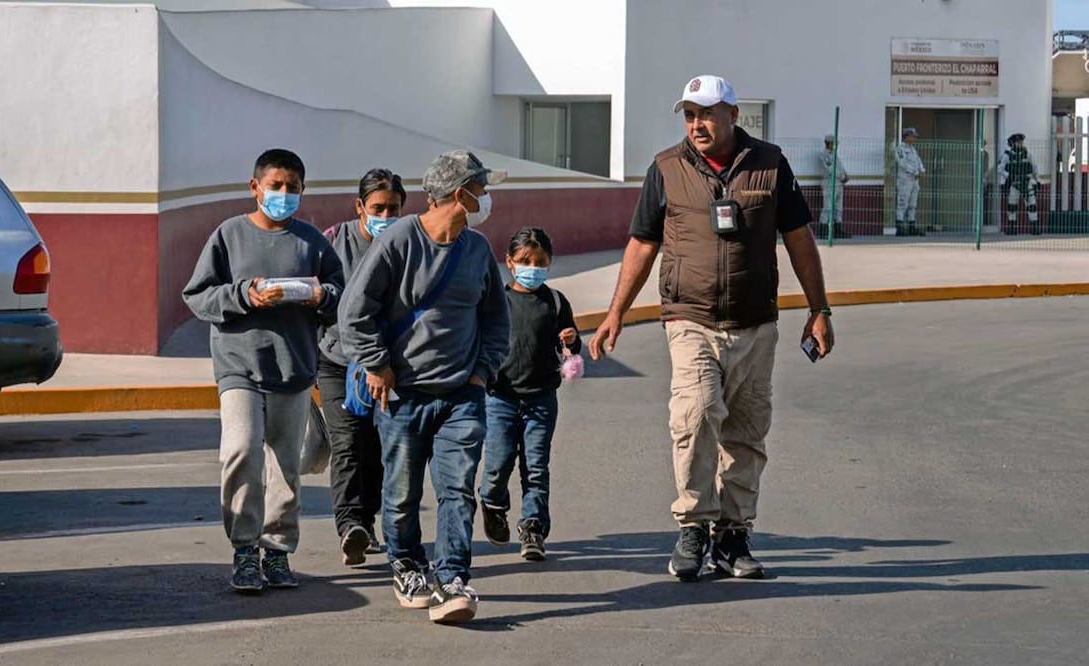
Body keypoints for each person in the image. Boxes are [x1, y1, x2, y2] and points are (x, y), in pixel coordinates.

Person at [587, 75, 835, 583]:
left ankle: (734, 534)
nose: (697, 124)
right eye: (689, 115)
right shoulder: (666, 168)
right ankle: (694, 524)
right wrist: (615, 312)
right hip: (689, 317)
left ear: (732, 115)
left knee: (746, 431)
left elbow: (798, 237)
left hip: (755, 321)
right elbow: (641, 243)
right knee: (697, 414)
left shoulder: (771, 164)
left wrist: (820, 308)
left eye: (706, 114)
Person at [339, 150, 510, 623]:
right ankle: (408, 564)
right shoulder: (397, 241)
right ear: (461, 194)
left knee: (457, 487)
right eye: (482, 189)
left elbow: (497, 320)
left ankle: (453, 576)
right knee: (401, 492)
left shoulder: (476, 249)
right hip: (402, 395)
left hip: (462, 395)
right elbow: (355, 311)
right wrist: (377, 364)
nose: (487, 198)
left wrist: (482, 373)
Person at [182, 148, 344, 593]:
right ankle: (244, 550)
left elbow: (341, 297)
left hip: (293, 369)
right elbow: (198, 296)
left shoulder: (312, 242)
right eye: (276, 185)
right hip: (239, 367)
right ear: (255, 187)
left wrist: (319, 297)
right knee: (240, 452)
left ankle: (277, 551)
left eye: (293, 187)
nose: (284, 194)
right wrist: (245, 295)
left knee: (285, 466)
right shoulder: (228, 235)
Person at [316, 169, 406, 566]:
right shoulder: (333, 243)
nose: (385, 215)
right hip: (336, 361)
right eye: (377, 208)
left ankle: (366, 520)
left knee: (377, 447)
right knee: (347, 443)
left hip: (384, 366)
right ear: (359, 207)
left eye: (393, 208)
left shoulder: (406, 246)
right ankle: (350, 524)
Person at [479, 226, 582, 562]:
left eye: (539, 261)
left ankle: (533, 528)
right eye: (524, 260)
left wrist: (571, 339)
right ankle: (493, 503)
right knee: (498, 463)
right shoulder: (498, 301)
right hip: (500, 398)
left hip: (541, 399)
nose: (532, 267)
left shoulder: (554, 301)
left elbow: (571, 346)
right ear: (509, 262)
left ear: (549, 263)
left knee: (536, 467)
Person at [998, 133, 1042, 235]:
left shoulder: (1027, 154)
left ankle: (1034, 228)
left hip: (1027, 183)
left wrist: (1038, 180)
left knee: (1032, 206)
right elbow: (1000, 169)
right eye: (1017, 142)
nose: (1020, 144)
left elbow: (1034, 167)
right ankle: (1012, 228)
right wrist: (1009, 176)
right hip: (1015, 184)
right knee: (1012, 206)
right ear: (1012, 143)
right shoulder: (1007, 155)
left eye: (1021, 142)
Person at [817, 134, 851, 239]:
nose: (835, 146)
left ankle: (837, 229)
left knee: (838, 207)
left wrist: (846, 175)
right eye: (834, 144)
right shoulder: (824, 156)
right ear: (828, 143)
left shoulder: (835, 156)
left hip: (839, 184)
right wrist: (841, 176)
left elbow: (840, 168)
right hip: (829, 184)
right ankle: (823, 230)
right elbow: (830, 170)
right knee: (827, 207)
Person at [894, 127, 926, 236]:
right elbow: (902, 163)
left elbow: (918, 161)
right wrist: (914, 171)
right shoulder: (900, 149)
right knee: (903, 203)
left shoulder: (913, 149)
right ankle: (900, 227)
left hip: (914, 180)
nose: (915, 138)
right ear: (906, 136)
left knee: (913, 204)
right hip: (905, 180)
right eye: (913, 136)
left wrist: (922, 170)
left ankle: (912, 226)